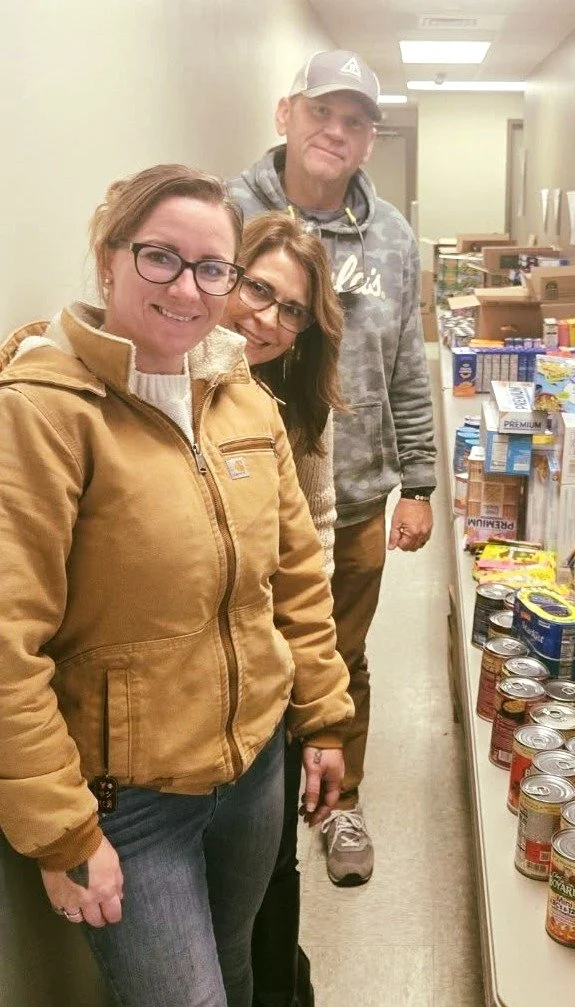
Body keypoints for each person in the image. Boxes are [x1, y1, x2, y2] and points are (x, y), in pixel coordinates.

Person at [0, 164, 352, 1007]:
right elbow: (8, 642)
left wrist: (323, 714)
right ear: (108, 257)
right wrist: (60, 828)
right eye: (160, 257)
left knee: (237, 964)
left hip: (253, 768)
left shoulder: (242, 399)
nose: (188, 288)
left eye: (211, 268)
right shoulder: (42, 411)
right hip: (132, 800)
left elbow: (295, 575)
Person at [229, 49, 437, 887]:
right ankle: (247, 814)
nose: (335, 131)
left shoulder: (392, 237)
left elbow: (406, 364)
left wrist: (418, 482)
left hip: (352, 496)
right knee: (245, 658)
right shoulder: (228, 213)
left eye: (355, 121)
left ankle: (339, 801)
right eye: (322, 111)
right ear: (286, 114)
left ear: (369, 140)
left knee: (341, 656)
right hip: (235, 497)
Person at [221, 211, 344, 1007]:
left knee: (271, 868)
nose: (266, 318)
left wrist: (306, 685)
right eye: (257, 289)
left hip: (270, 668)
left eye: (290, 309)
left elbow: (317, 533)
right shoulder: (165, 383)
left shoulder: (294, 406)